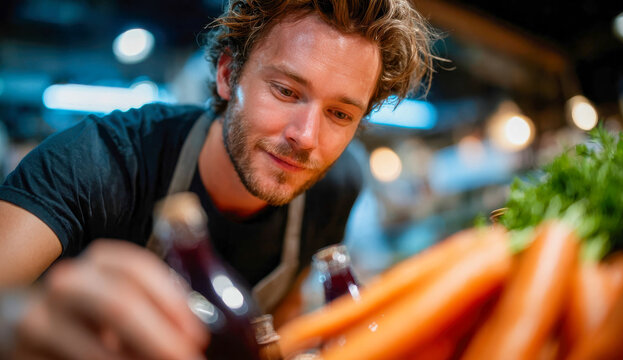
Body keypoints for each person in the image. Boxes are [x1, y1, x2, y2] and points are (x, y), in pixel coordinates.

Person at [0, 0, 439, 358]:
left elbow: (283, 315)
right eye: (286, 91)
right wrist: (19, 324)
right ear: (228, 75)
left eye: (339, 114)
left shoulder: (336, 185)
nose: (306, 137)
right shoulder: (99, 159)